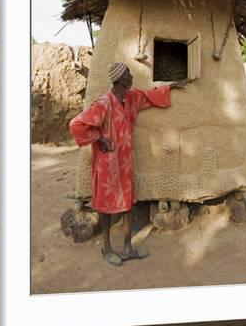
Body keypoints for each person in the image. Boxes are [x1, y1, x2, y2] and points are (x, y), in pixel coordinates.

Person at [69, 62, 192, 266]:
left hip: (124, 161)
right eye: (129, 74)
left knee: (126, 204)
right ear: (121, 80)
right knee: (105, 208)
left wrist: (172, 86)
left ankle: (127, 247)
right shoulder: (104, 104)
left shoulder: (129, 97)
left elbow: (148, 96)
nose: (132, 76)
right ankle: (106, 248)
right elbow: (77, 124)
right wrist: (100, 138)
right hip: (107, 163)